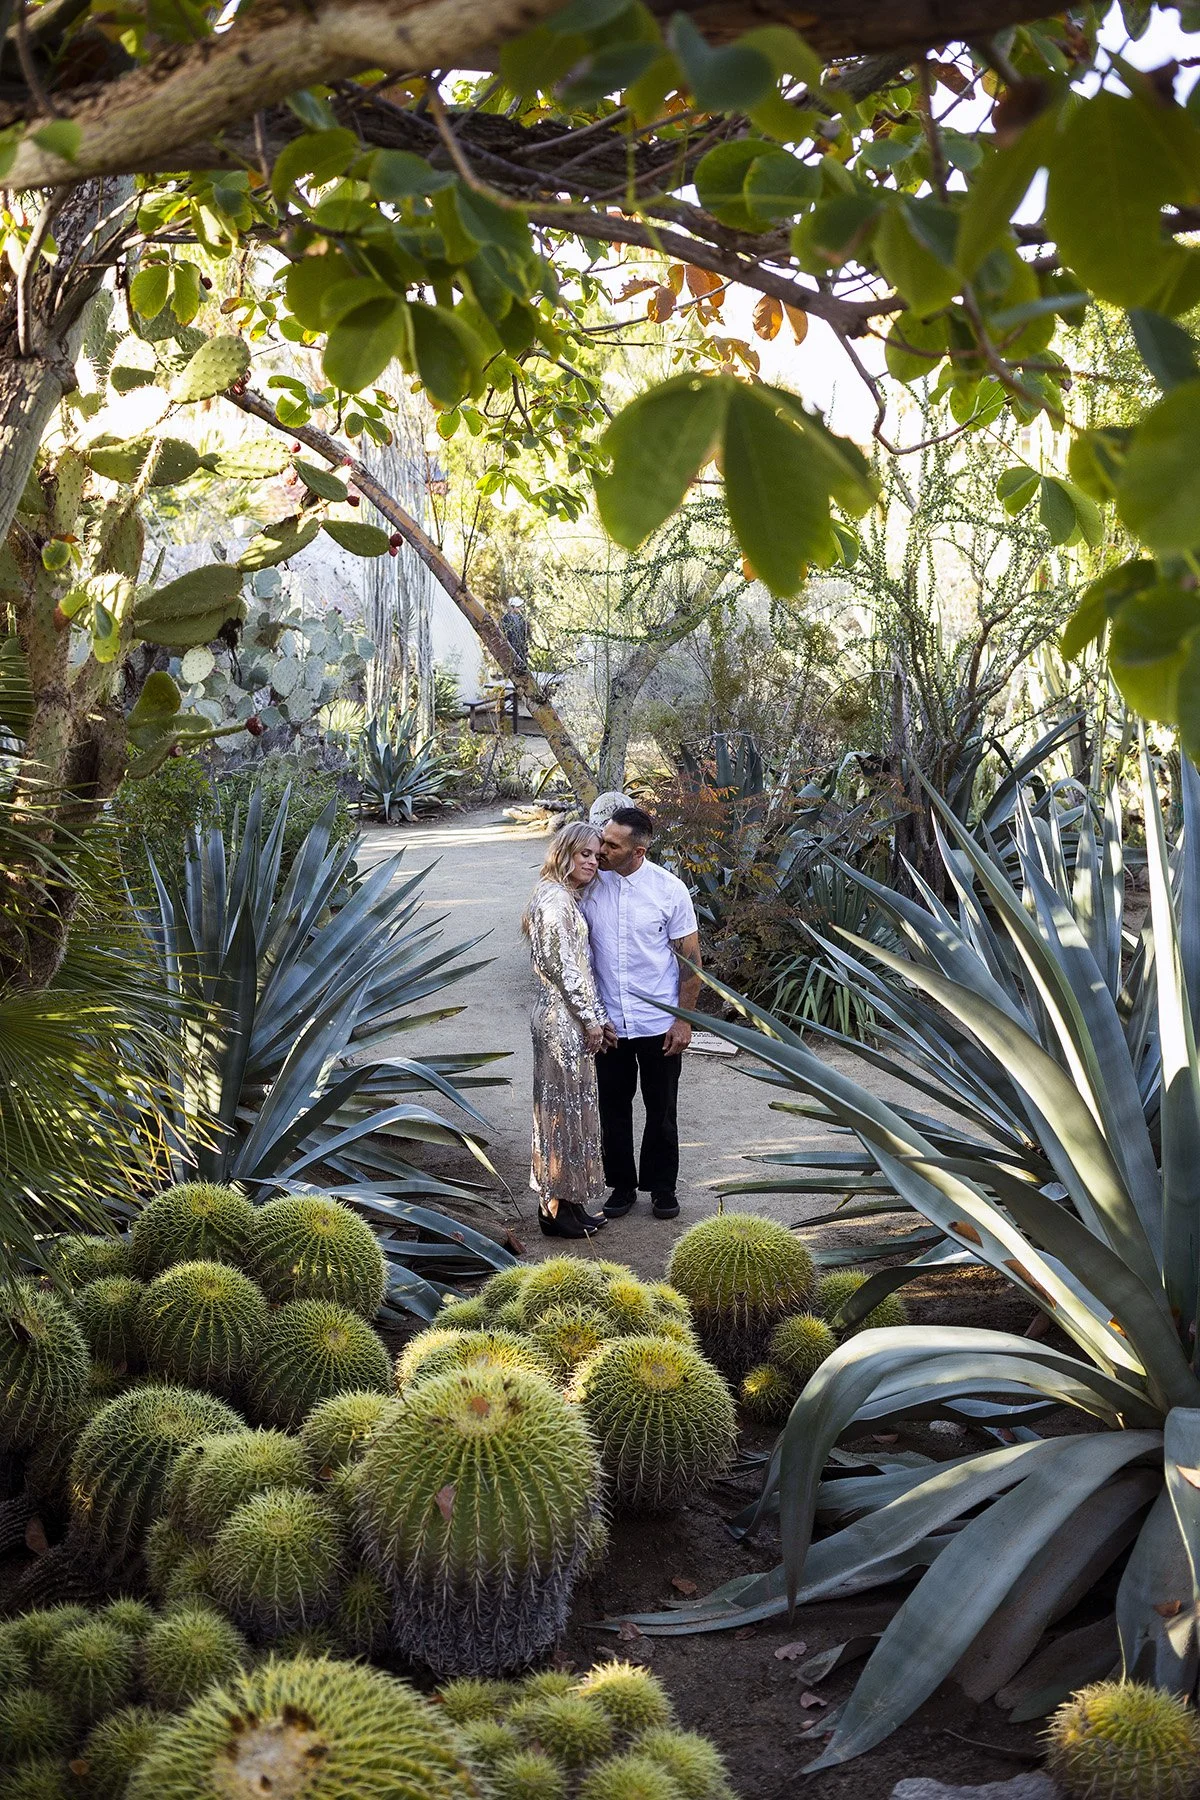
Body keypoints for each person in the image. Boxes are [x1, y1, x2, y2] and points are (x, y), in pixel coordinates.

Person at [579, 806, 701, 1222]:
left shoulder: (670, 891)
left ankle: (662, 1188)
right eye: (603, 839)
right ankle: (622, 1187)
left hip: (657, 1022)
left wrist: (683, 1020)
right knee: (613, 1107)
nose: (602, 849)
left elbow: (691, 962)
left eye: (612, 844)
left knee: (662, 1107)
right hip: (609, 1022)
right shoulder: (590, 886)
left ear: (639, 851)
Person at [522, 821, 609, 1239]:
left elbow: (579, 969)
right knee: (561, 1112)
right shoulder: (554, 899)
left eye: (596, 856)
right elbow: (563, 969)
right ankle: (555, 1208)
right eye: (584, 854)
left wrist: (597, 1017)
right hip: (562, 1019)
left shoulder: (561, 896)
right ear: (565, 853)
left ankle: (569, 1203)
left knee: (572, 1109)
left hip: (568, 1015)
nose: (592, 862)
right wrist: (591, 1019)